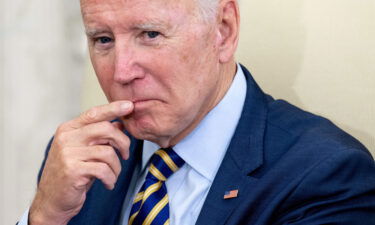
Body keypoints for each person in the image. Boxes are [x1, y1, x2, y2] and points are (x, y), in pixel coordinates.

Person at [19, 0, 375, 224]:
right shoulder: (78, 160)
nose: (121, 72)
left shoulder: (325, 175)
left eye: (150, 34)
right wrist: (45, 217)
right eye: (103, 40)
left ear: (223, 31)